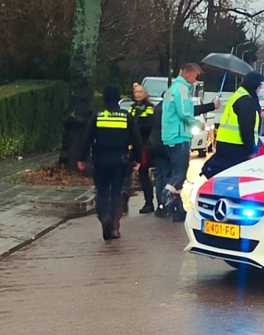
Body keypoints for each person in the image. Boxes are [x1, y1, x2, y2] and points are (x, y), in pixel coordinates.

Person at [78, 85, 143, 241]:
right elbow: (137, 140)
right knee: (116, 192)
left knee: (101, 191)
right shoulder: (126, 116)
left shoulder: (97, 116)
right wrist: (138, 159)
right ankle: (114, 224)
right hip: (121, 161)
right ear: (118, 99)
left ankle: (104, 217)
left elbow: (86, 138)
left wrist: (81, 158)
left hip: (100, 160)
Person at [160, 63, 219, 223]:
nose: (195, 80)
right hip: (179, 136)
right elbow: (185, 113)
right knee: (180, 173)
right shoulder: (182, 89)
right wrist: (199, 124)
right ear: (188, 73)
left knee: (176, 171)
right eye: (195, 76)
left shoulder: (172, 89)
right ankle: (166, 195)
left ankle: (177, 210)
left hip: (170, 136)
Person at [203, 72, 264, 179]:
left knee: (226, 177)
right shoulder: (246, 100)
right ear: (253, 85)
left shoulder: (238, 95)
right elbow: (247, 128)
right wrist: (250, 151)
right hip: (237, 146)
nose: (260, 90)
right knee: (237, 179)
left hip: (225, 143)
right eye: (259, 86)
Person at [128, 83, 157, 214]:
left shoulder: (150, 108)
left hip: (144, 144)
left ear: (145, 93)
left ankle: (149, 202)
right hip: (132, 144)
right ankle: (123, 203)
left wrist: (135, 126)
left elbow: (147, 125)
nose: (138, 94)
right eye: (136, 92)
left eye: (140, 92)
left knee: (143, 173)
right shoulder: (132, 108)